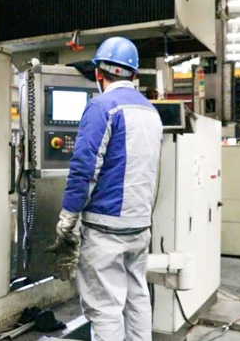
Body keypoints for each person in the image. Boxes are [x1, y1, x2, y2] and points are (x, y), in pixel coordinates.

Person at [48, 37, 163, 341]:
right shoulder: (151, 112)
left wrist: (68, 219)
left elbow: (84, 169)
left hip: (105, 228)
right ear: (133, 75)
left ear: (99, 73)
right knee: (137, 298)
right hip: (139, 226)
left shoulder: (101, 106)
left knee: (105, 309)